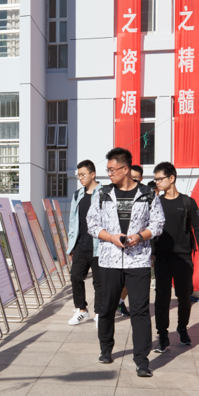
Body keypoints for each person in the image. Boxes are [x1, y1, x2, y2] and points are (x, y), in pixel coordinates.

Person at [86, 147, 164, 377]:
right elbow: (92, 224)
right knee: (107, 307)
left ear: (126, 169)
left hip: (138, 261)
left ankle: (142, 360)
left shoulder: (148, 194)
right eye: (108, 170)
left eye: (112, 169)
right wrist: (111, 237)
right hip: (109, 261)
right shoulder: (102, 194)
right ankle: (105, 348)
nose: (109, 173)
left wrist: (139, 236)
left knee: (140, 311)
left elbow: (158, 224)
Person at [151, 162, 199, 351]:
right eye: (155, 179)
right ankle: (162, 336)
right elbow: (150, 229)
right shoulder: (156, 203)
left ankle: (182, 328)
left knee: (184, 297)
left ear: (171, 178)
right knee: (162, 298)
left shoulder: (188, 202)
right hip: (162, 258)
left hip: (184, 259)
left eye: (160, 179)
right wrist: (151, 253)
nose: (157, 182)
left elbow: (198, 228)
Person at [67, 160, 101, 326]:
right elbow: (73, 221)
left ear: (92, 175)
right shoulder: (77, 195)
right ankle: (82, 310)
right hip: (81, 245)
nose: (80, 178)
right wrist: (71, 245)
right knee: (75, 277)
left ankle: (100, 313)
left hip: (99, 246)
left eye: (83, 175)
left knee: (99, 282)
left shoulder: (104, 193)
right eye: (78, 175)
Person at [115, 165, 144, 317]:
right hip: (117, 248)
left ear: (141, 179)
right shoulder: (117, 195)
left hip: (139, 250)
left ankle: (120, 302)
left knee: (132, 283)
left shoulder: (147, 195)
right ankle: (114, 304)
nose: (132, 181)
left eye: (136, 178)